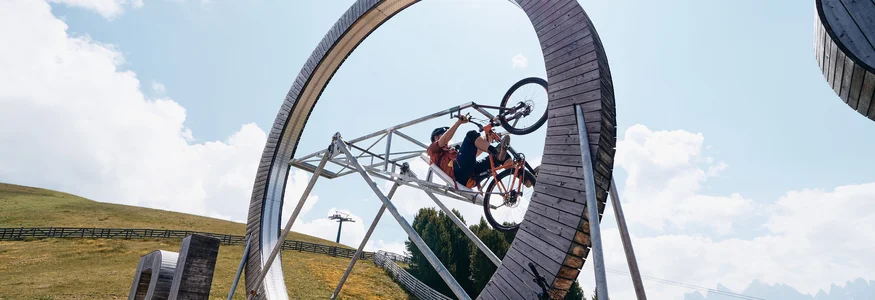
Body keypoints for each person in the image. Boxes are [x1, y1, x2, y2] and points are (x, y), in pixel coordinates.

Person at [427, 114, 510, 189]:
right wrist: (458, 122)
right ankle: (496, 152)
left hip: (470, 176)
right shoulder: (432, 150)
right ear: (436, 137)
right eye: (444, 133)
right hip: (459, 174)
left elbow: (473, 154)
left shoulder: (451, 151)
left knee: (502, 156)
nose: (446, 134)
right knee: (471, 135)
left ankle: (516, 176)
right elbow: (444, 139)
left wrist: (488, 140)